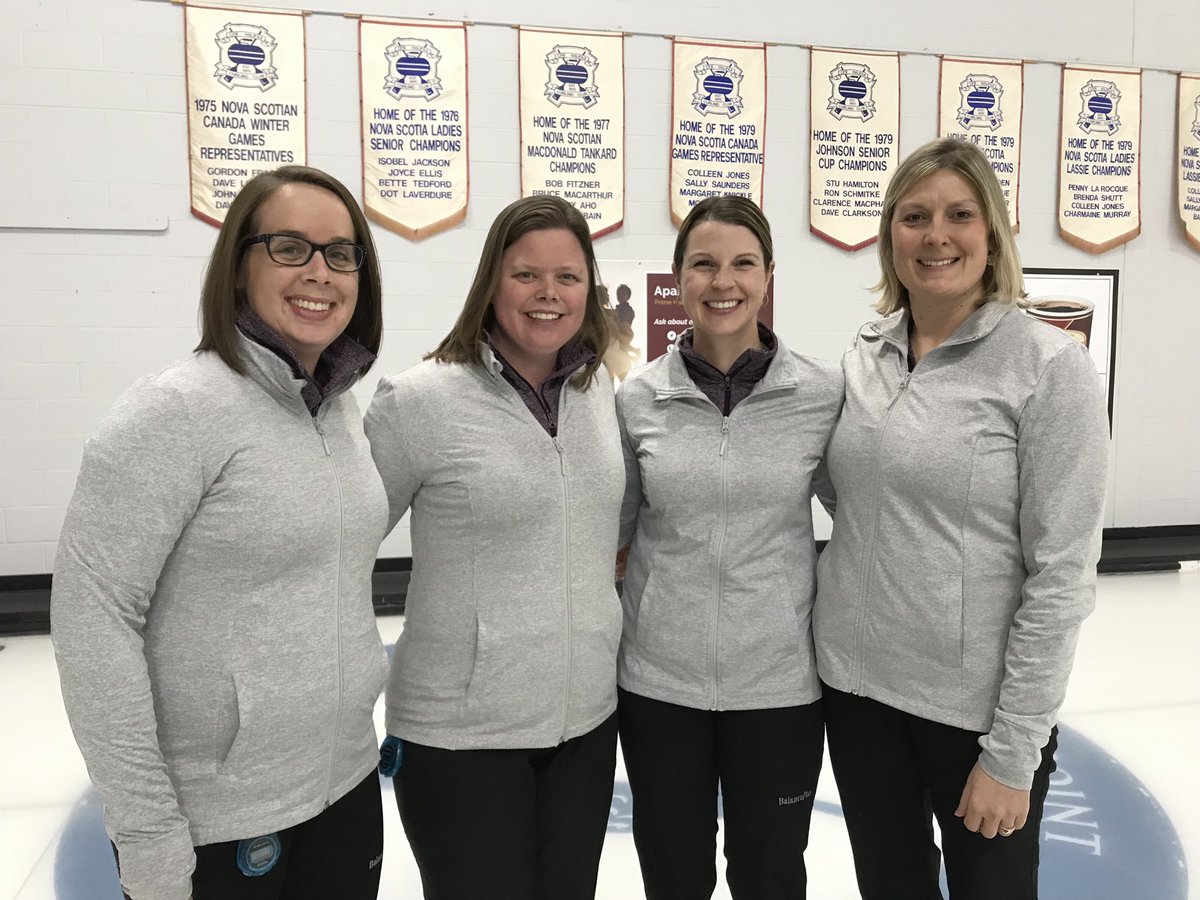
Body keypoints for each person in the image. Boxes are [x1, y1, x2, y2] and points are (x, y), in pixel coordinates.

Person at [51, 166, 389, 900]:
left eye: (341, 254)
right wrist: (145, 829)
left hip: (345, 787)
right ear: (239, 265)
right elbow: (93, 620)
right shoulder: (174, 411)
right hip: (221, 819)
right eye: (290, 247)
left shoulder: (338, 409)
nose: (320, 272)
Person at [814, 137, 1109, 899]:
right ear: (890, 235)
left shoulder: (1049, 367)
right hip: (857, 696)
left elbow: (1062, 576)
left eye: (959, 215)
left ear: (993, 233)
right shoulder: (865, 352)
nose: (935, 235)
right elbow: (854, 498)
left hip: (972, 715)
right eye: (914, 216)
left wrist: (1013, 751)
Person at [364, 195, 624, 900]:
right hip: (462, 738)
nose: (548, 294)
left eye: (568, 277)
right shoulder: (419, 401)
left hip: (584, 725)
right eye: (526, 275)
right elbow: (338, 546)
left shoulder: (598, 392)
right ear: (491, 281)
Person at [615, 195, 843, 899]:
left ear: (768, 276)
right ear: (679, 278)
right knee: (673, 877)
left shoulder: (820, 395)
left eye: (743, 264)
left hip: (778, 688)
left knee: (770, 876)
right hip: (659, 688)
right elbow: (610, 534)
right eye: (704, 264)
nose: (724, 282)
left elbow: (866, 518)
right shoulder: (636, 400)